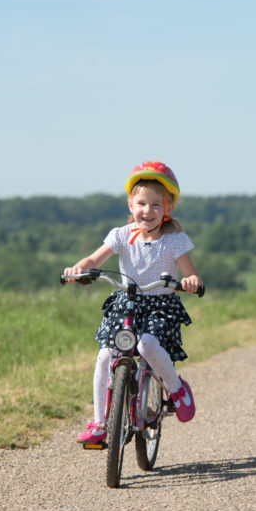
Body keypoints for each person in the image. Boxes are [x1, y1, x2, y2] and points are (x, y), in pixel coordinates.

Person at [63, 161, 202, 445]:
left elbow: (190, 272)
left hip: (160, 305)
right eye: (141, 203)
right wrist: (79, 268)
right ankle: (101, 423)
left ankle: (176, 388)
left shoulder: (174, 239)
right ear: (130, 204)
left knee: (147, 345)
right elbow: (93, 260)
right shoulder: (121, 236)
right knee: (105, 356)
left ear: (168, 208)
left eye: (155, 205)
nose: (147, 211)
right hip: (125, 304)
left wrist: (191, 281)